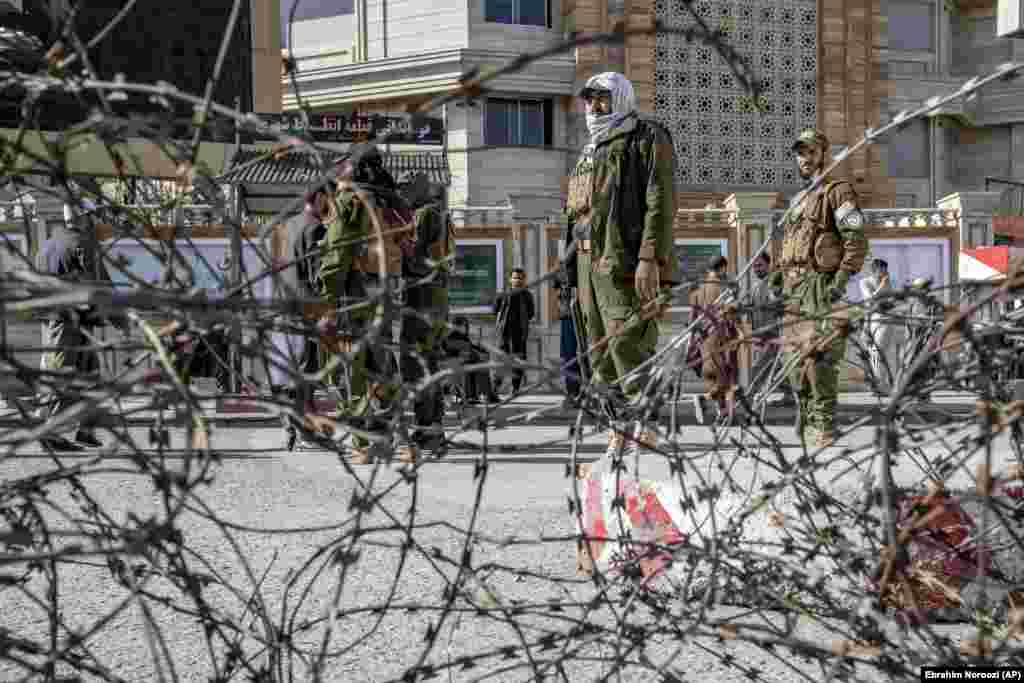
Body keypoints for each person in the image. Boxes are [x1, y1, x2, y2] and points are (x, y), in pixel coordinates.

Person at [563, 71, 676, 458]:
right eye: (589, 100)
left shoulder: (646, 137)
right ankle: (618, 426)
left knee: (627, 341)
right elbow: (574, 218)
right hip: (585, 266)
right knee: (598, 352)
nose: (594, 107)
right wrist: (570, 278)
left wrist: (649, 258)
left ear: (621, 98)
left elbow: (659, 201)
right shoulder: (587, 153)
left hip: (623, 261)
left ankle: (645, 423)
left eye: (602, 99)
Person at [767, 128, 869, 448]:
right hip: (793, 288)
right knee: (794, 361)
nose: (805, 159)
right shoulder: (798, 199)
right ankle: (808, 420)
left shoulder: (837, 192)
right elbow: (791, 243)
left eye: (811, 152)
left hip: (818, 284)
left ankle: (823, 425)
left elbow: (856, 240)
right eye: (800, 153)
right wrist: (777, 275)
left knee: (819, 359)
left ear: (822, 154)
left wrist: (840, 280)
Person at [318, 142, 409, 465]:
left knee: (351, 372)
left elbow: (336, 254)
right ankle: (403, 441)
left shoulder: (350, 200)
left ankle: (362, 445)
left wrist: (326, 300)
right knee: (382, 368)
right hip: (384, 292)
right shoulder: (389, 199)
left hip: (353, 294)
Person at [34, 198, 122, 451]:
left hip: (56, 320)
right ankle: (53, 433)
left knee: (87, 375)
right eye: (93, 216)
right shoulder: (84, 244)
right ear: (85, 218)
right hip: (71, 323)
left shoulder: (47, 246)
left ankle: (83, 429)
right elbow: (100, 285)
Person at [393, 170, 451, 453]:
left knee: (417, 364)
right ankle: (432, 429)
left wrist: (395, 242)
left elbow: (414, 256)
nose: (402, 192)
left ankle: (428, 430)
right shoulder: (437, 213)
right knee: (428, 363)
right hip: (434, 298)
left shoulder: (425, 214)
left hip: (423, 299)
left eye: (405, 187)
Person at [274, 183, 332, 450]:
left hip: (284, 304)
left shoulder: (286, 226)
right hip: (306, 306)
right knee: (308, 368)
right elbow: (315, 273)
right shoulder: (315, 228)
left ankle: (290, 423)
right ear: (319, 197)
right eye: (328, 198)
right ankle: (306, 430)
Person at [687, 256, 740, 423]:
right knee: (728, 376)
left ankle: (723, 413)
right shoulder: (725, 289)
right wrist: (740, 333)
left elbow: (692, 320)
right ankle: (708, 400)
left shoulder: (697, 290)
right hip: (723, 337)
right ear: (722, 268)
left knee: (711, 376)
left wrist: (691, 342)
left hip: (703, 340)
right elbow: (732, 315)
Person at [749, 252, 795, 406]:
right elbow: (751, 308)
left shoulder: (774, 283)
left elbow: (781, 302)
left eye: (760, 265)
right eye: (754, 266)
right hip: (758, 335)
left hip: (772, 334)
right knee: (774, 368)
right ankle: (790, 394)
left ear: (768, 265)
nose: (757, 269)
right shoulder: (755, 287)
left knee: (758, 367)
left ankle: (749, 397)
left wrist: (773, 302)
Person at [492, 267, 534, 395]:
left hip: (519, 333)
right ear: (510, 279)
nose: (518, 280)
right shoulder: (502, 295)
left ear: (524, 280)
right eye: (515, 277)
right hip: (504, 333)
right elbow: (495, 310)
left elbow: (531, 313)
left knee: (518, 361)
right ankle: (495, 388)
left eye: (520, 278)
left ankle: (515, 388)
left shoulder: (527, 296)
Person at [442, 316, 498, 404]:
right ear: (458, 326)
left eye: (466, 326)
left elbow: (470, 346)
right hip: (454, 364)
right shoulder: (451, 337)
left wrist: (481, 351)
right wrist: (478, 354)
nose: (466, 328)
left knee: (480, 364)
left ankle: (481, 395)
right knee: (478, 364)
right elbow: (463, 349)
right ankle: (477, 395)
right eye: (465, 326)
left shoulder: (462, 336)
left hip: (465, 362)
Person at [553, 264, 586, 408]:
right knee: (570, 356)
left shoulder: (583, 265)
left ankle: (582, 392)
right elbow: (558, 289)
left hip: (585, 317)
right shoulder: (564, 269)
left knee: (582, 356)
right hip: (569, 317)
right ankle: (573, 393)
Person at [859, 257, 893, 392]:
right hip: (872, 318)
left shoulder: (887, 282)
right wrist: (882, 286)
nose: (885, 272)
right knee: (874, 352)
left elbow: (891, 300)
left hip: (887, 319)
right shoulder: (865, 282)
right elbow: (869, 299)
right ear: (875, 270)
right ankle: (877, 383)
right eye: (882, 269)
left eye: (886, 269)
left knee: (882, 353)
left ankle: (882, 383)